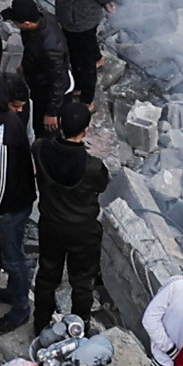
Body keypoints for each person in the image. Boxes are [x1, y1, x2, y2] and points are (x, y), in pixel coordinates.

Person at [28, 101, 116, 339]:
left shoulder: (39, 148)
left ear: (60, 125)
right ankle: (80, 329)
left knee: (47, 275)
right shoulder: (93, 167)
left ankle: (40, 326)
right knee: (82, 282)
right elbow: (101, 185)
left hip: (51, 225)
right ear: (86, 130)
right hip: (83, 231)